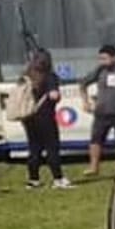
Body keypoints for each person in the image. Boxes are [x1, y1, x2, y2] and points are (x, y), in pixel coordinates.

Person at [78, 45, 115, 178]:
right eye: (100, 58)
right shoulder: (99, 70)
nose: (102, 61)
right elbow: (83, 83)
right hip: (102, 111)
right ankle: (93, 166)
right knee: (96, 139)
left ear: (114, 58)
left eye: (105, 58)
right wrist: (86, 101)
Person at [22, 49, 72, 189]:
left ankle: (33, 180)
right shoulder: (49, 76)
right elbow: (53, 96)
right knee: (52, 148)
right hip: (45, 116)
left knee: (34, 148)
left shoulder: (27, 76)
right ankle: (58, 178)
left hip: (29, 116)